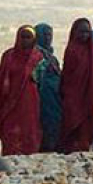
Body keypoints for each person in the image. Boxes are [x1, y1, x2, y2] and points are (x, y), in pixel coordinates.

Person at [0, 25, 44, 156]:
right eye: (22, 37)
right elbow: (0, 77)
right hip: (10, 105)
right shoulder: (9, 56)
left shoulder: (38, 58)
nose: (25, 40)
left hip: (30, 104)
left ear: (34, 39)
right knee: (11, 135)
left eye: (29, 37)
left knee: (29, 134)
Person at [59, 17, 93, 153]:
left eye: (87, 32)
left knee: (88, 126)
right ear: (74, 32)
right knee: (73, 124)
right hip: (74, 96)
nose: (84, 35)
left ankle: (84, 149)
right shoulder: (71, 49)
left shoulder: (92, 49)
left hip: (90, 95)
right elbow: (67, 74)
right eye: (81, 32)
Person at [33, 23, 62, 152]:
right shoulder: (34, 55)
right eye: (44, 34)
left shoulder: (52, 57)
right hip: (40, 98)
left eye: (50, 35)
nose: (48, 38)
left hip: (54, 98)